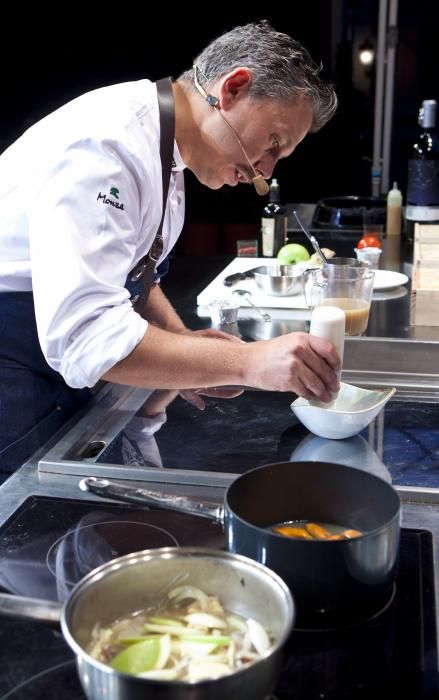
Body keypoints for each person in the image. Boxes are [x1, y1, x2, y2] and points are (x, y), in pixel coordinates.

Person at [0, 21, 339, 475]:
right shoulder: (107, 145)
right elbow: (86, 337)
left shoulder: (167, 155)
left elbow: (132, 276)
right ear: (233, 88)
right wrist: (247, 362)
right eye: (272, 143)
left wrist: (182, 346)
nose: (263, 175)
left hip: (47, 364)